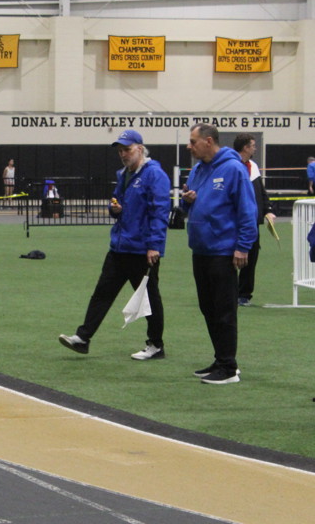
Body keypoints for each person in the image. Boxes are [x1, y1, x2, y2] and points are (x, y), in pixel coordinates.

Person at [59, 129, 170, 360]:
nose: (123, 154)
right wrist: (114, 208)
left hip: (141, 250)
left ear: (140, 148)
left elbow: (159, 212)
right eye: (120, 151)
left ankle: (156, 345)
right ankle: (83, 338)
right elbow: (116, 202)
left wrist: (155, 246)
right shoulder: (124, 175)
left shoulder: (155, 175)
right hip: (120, 246)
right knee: (101, 294)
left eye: (127, 149)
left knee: (149, 298)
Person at [180, 123, 257, 384]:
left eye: (193, 141)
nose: (189, 146)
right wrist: (187, 201)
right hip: (200, 249)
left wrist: (243, 246)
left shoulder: (233, 169)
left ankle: (229, 368)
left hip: (223, 251)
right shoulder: (197, 170)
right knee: (208, 308)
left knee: (224, 311)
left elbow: (247, 210)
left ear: (209, 141)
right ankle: (220, 358)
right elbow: (189, 205)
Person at [232, 134, 276, 306]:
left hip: (252, 222)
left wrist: (268, 210)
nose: (255, 148)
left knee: (251, 258)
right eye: (253, 145)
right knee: (228, 258)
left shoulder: (254, 167)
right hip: (232, 221)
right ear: (245, 147)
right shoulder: (231, 166)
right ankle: (227, 292)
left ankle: (244, 294)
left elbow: (261, 192)